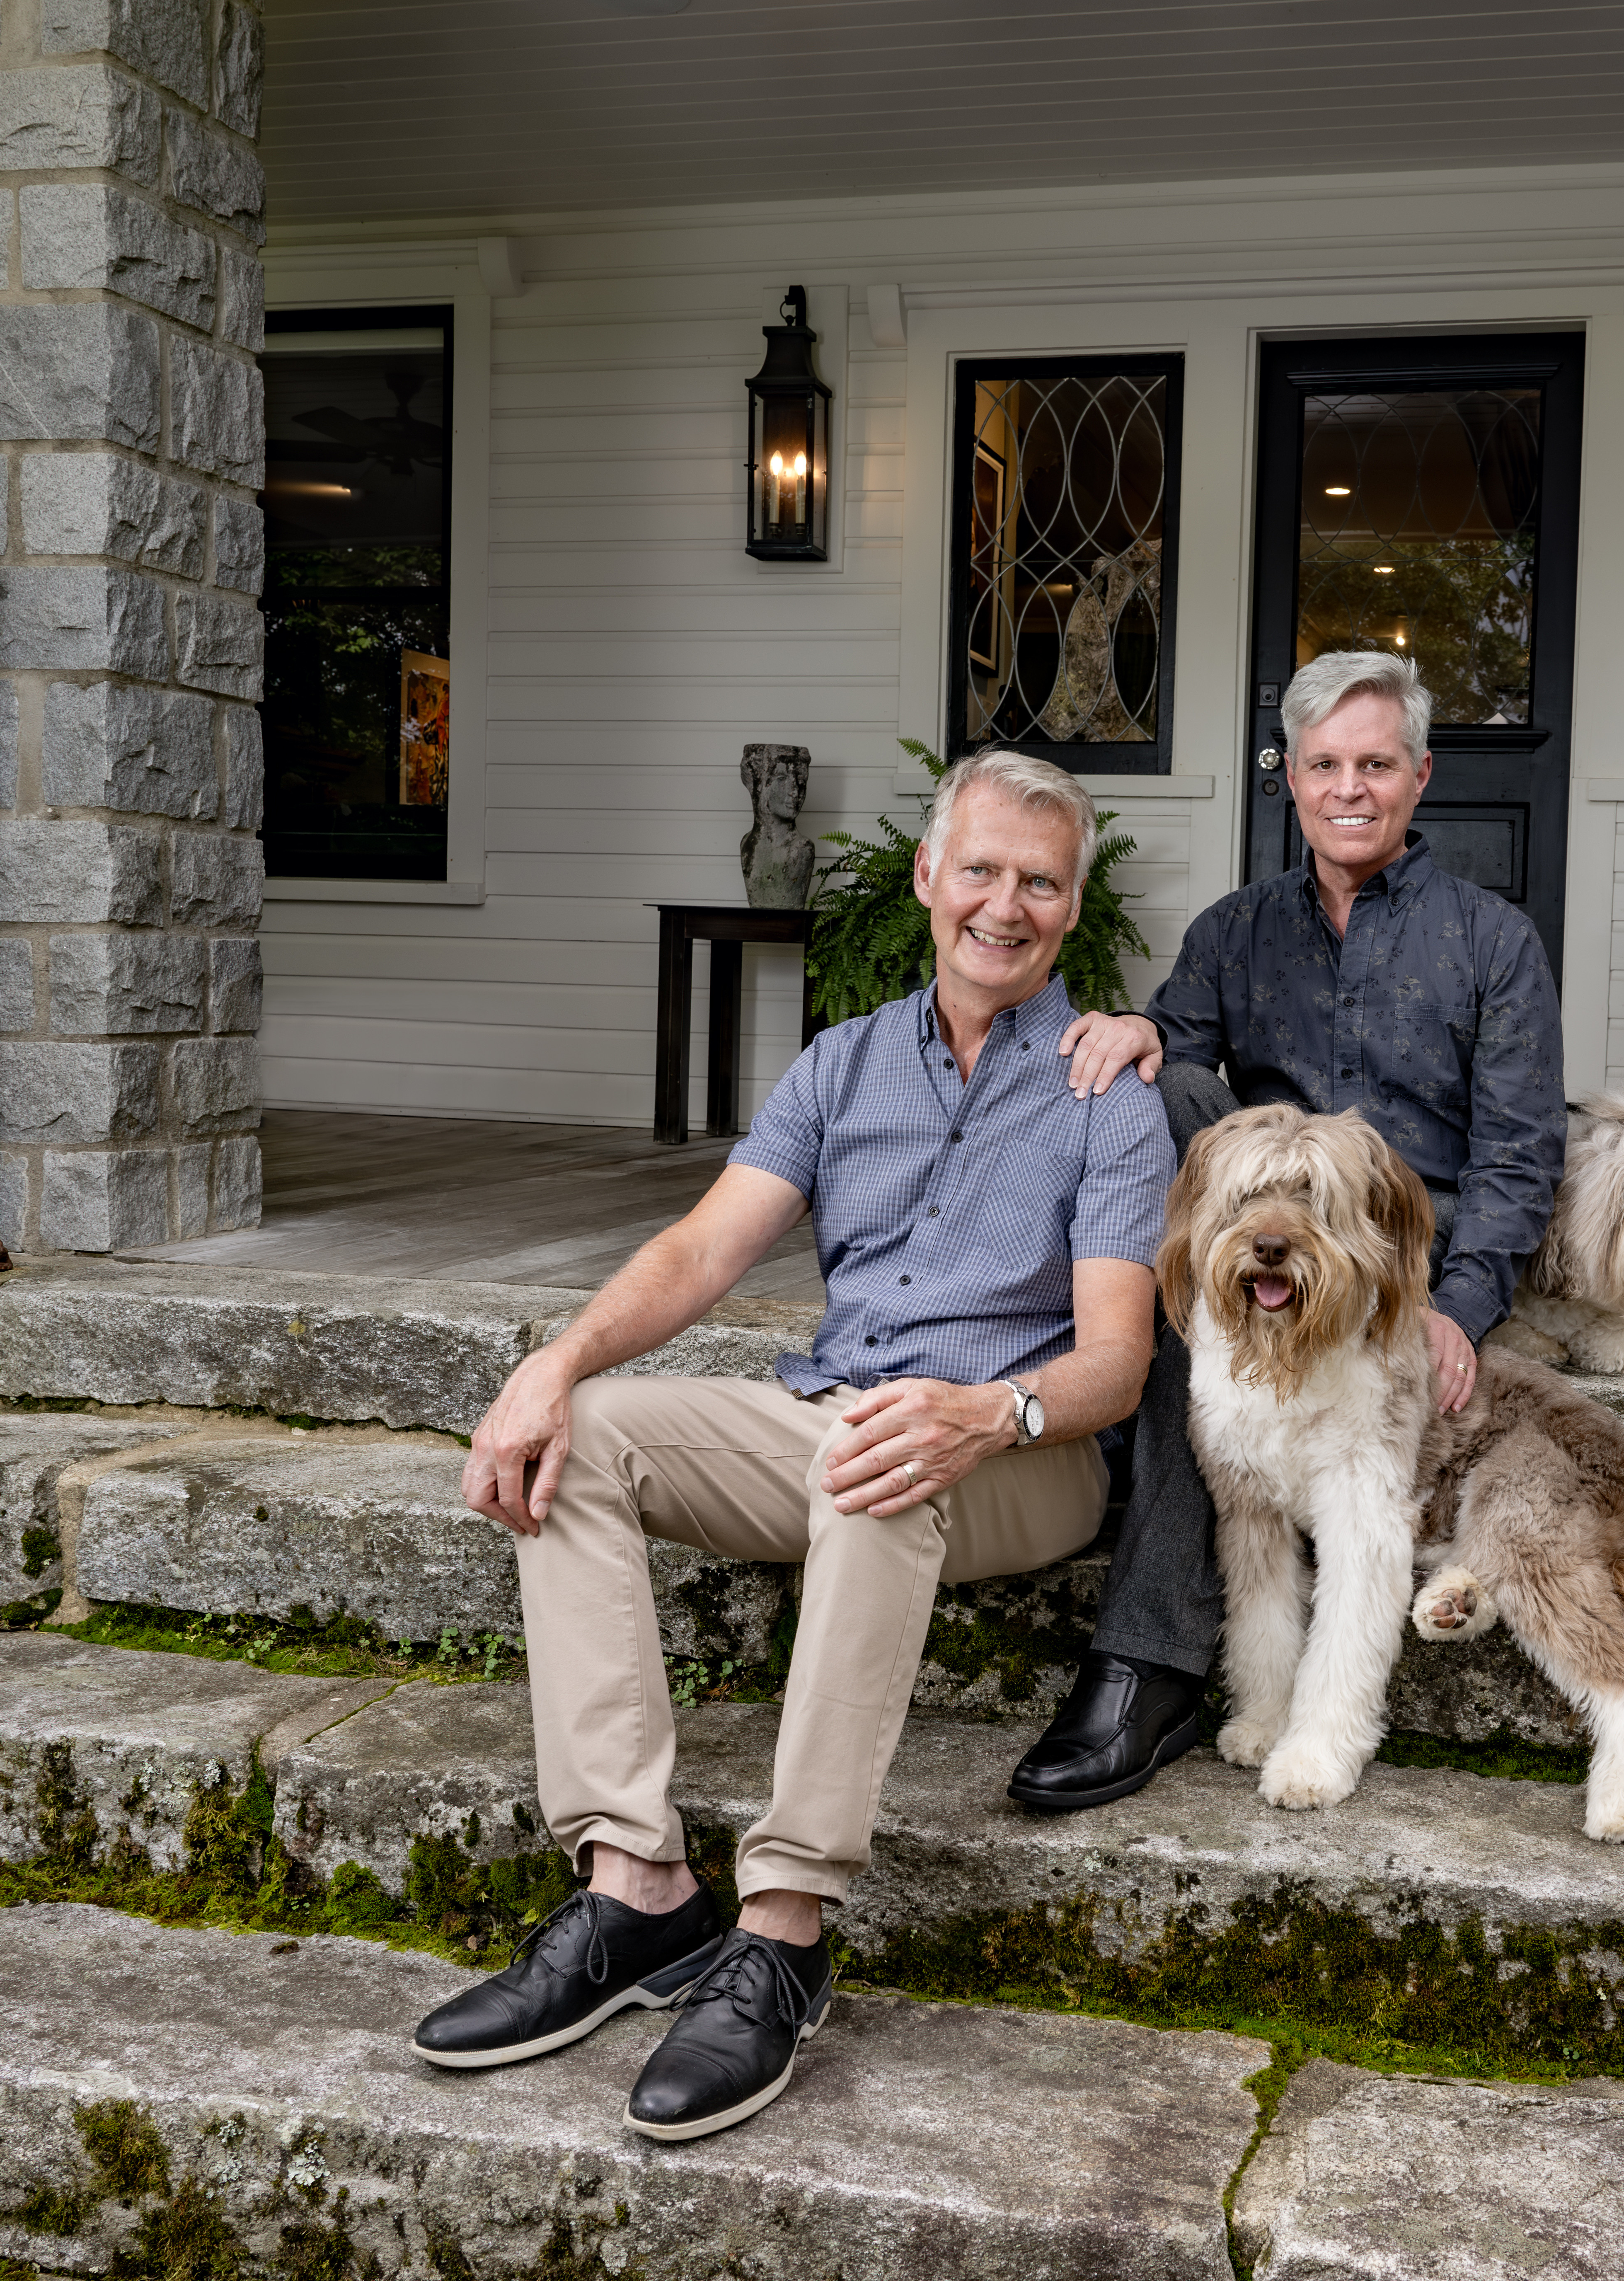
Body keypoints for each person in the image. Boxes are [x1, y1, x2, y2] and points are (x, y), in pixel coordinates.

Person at [419, 749, 1170, 2140]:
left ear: (1071, 911)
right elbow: (708, 1245)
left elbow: (1116, 1367)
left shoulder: (1108, 1093)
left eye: (1041, 882)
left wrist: (983, 1413)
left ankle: (785, 1929)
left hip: (1024, 1451)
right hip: (832, 1415)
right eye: (983, 871)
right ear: (928, 879)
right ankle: (637, 1890)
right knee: (585, 1440)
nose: (1005, 905)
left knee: (880, 1466)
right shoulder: (843, 1061)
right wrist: (556, 1361)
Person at [1007, 649, 1567, 1813]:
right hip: (1258, 1235)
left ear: (1419, 776)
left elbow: (1520, 1154)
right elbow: (1173, 1052)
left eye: (1375, 763)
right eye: (1324, 765)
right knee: (1152, 1103)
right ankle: (1159, 1652)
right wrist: (1125, 1031)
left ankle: (1149, 1658)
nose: (1349, 788)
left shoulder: (1493, 940)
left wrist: (1456, 1306)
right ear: (1292, 782)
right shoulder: (1235, 929)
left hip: (1396, 1246)